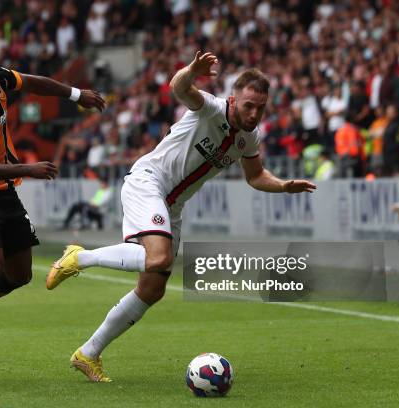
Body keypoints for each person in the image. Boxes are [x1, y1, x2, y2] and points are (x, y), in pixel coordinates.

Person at [46, 51, 316, 382]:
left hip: (173, 205)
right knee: (157, 258)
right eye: (248, 105)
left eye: (261, 107)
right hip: (149, 182)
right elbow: (180, 87)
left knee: (152, 289)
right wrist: (192, 70)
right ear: (233, 100)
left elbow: (256, 175)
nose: (254, 113)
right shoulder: (211, 107)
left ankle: (88, 353)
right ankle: (80, 257)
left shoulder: (249, 137)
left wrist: (284, 185)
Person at [0, 44, 105, 380]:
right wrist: (26, 170)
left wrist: (75, 94)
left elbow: (35, 82)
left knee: (20, 275)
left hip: (3, 192)